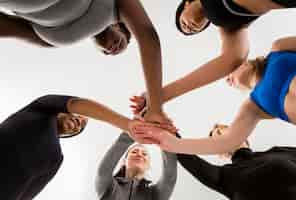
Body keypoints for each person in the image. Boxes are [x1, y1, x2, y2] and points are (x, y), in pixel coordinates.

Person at [0, 0, 171, 126]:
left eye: (107, 53)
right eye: (122, 43)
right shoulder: (114, 8)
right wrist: (155, 108)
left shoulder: (55, 40)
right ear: (120, 27)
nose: (113, 50)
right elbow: (147, 36)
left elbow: (6, 28)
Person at [130, 36, 296, 156]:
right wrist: (169, 141)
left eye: (227, 72)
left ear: (243, 62)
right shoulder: (253, 107)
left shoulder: (279, 48)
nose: (226, 79)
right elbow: (223, 143)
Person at [132, 0, 296, 111]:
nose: (188, 29)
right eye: (192, 31)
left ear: (187, 3)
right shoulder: (230, 22)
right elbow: (233, 59)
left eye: (184, 23)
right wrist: (159, 95)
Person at [0, 94, 162, 200]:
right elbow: (77, 104)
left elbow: (28, 194)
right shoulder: (42, 109)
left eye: (81, 126)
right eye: (78, 116)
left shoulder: (56, 158)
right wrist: (128, 125)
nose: (79, 122)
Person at [177, 124, 296, 200]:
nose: (216, 140)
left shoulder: (278, 151)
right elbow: (187, 158)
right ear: (220, 154)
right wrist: (167, 131)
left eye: (219, 133)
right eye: (212, 141)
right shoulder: (223, 176)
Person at [95, 132, 177, 200]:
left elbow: (169, 178)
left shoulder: (154, 194)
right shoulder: (109, 186)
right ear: (124, 161)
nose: (139, 154)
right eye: (134, 152)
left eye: (144, 154)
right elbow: (103, 171)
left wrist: (162, 137)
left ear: (148, 165)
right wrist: (136, 130)